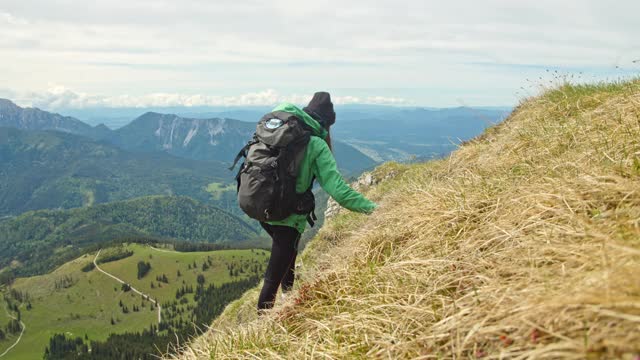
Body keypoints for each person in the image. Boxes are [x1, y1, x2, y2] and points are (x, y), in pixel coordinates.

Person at [257, 92, 377, 311]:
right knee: (272, 278)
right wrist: (375, 210)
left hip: (260, 203)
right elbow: (339, 192)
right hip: (287, 215)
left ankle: (288, 296)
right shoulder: (315, 144)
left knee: (288, 253)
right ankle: (260, 331)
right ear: (327, 123)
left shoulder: (280, 129)